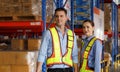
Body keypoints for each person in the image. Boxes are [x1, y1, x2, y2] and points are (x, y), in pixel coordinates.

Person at [36, 8, 78, 72]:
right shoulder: (48, 33)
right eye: (57, 16)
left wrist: (76, 70)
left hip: (68, 69)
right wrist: (38, 70)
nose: (59, 18)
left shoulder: (72, 34)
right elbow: (42, 53)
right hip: (54, 69)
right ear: (55, 18)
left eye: (61, 16)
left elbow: (74, 54)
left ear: (66, 18)